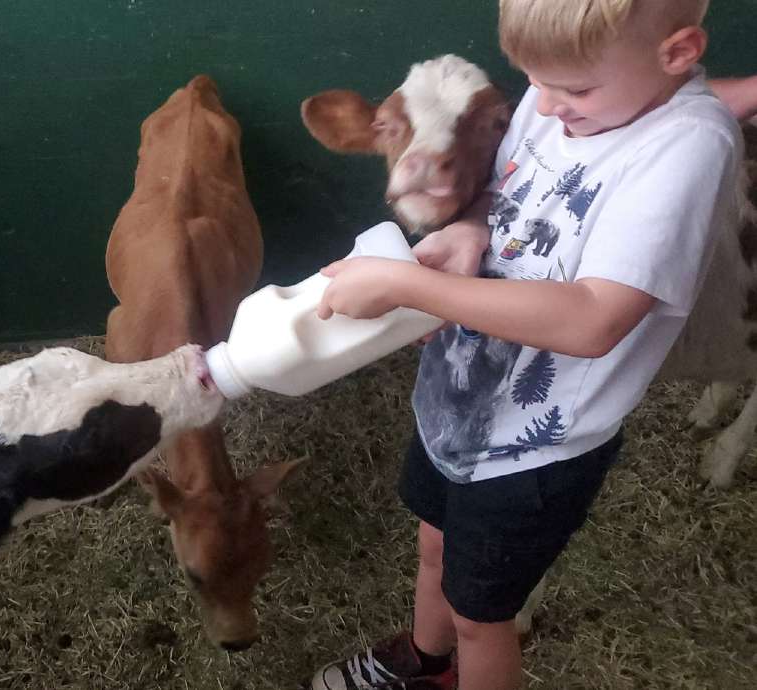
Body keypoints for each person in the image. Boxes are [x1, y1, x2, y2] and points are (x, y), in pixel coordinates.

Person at [308, 1, 744, 689]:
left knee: (484, 616)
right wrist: (473, 227)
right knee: (434, 548)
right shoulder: (558, 97)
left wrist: (407, 288)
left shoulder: (686, 145)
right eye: (532, 81)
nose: (542, 104)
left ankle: (460, 659)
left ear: (678, 53)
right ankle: (426, 662)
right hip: (456, 396)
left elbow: (593, 318)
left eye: (572, 89)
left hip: (534, 450)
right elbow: (504, 190)